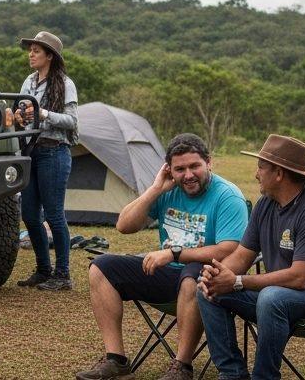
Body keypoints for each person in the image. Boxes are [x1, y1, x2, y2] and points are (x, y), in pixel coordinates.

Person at [77, 134, 248, 380]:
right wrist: (156, 189)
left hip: (207, 281)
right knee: (101, 267)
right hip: (166, 276)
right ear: (169, 170)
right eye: (180, 169)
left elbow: (229, 249)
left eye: (194, 166)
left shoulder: (227, 196)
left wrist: (174, 253)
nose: (188, 175)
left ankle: (182, 366)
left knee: (192, 275)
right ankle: (116, 360)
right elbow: (124, 226)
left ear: (208, 163)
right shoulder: (168, 191)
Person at [196, 134, 305, 380]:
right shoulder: (266, 205)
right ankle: (232, 374)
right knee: (207, 290)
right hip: (283, 299)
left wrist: (238, 281)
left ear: (279, 174)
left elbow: (299, 278)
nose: (256, 174)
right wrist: (217, 274)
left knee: (272, 297)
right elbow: (242, 255)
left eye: (261, 167)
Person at [13, 31, 80, 291]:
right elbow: (21, 111)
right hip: (32, 150)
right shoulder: (28, 82)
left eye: (36, 51)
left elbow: (72, 121)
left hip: (55, 151)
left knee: (53, 214)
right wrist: (20, 117)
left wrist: (44, 114)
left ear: (49, 56)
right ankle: (43, 270)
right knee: (29, 214)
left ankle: (62, 274)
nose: (31, 54)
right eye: (30, 50)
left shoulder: (65, 83)